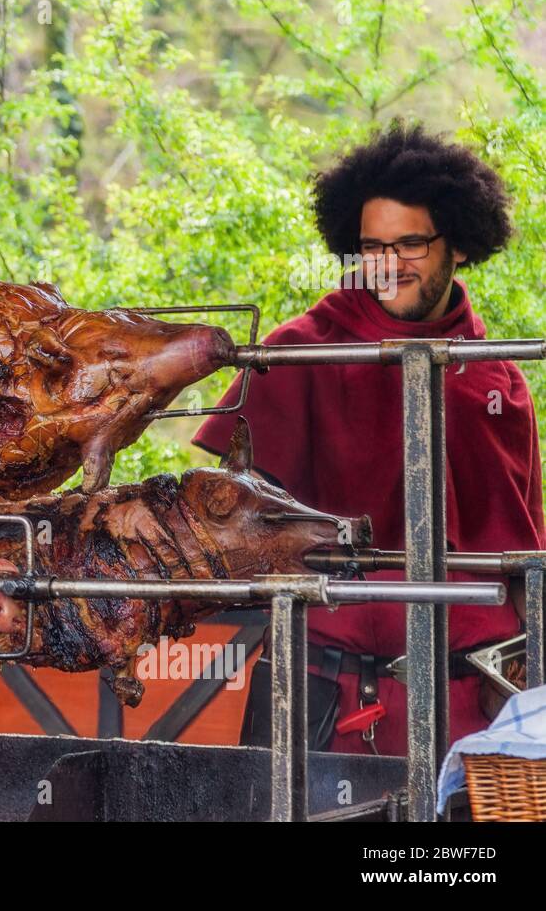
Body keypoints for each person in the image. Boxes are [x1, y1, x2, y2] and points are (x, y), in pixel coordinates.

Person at [193, 122, 542, 755]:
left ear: (457, 244)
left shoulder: (500, 378)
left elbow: (525, 557)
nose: (387, 266)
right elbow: (229, 519)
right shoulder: (298, 353)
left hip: (478, 707)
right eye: (371, 247)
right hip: (327, 701)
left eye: (409, 244)